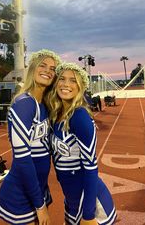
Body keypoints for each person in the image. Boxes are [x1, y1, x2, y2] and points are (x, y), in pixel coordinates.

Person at [0, 49, 61, 225]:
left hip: (38, 188)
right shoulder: (25, 104)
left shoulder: (44, 105)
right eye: (43, 65)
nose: (48, 70)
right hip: (21, 193)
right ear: (32, 69)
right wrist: (40, 206)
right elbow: (23, 159)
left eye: (53, 69)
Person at [48, 62, 117, 225]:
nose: (66, 84)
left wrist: (88, 215)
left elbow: (91, 168)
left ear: (80, 87)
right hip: (72, 199)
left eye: (73, 81)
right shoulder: (57, 114)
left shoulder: (79, 117)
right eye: (62, 79)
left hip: (90, 204)